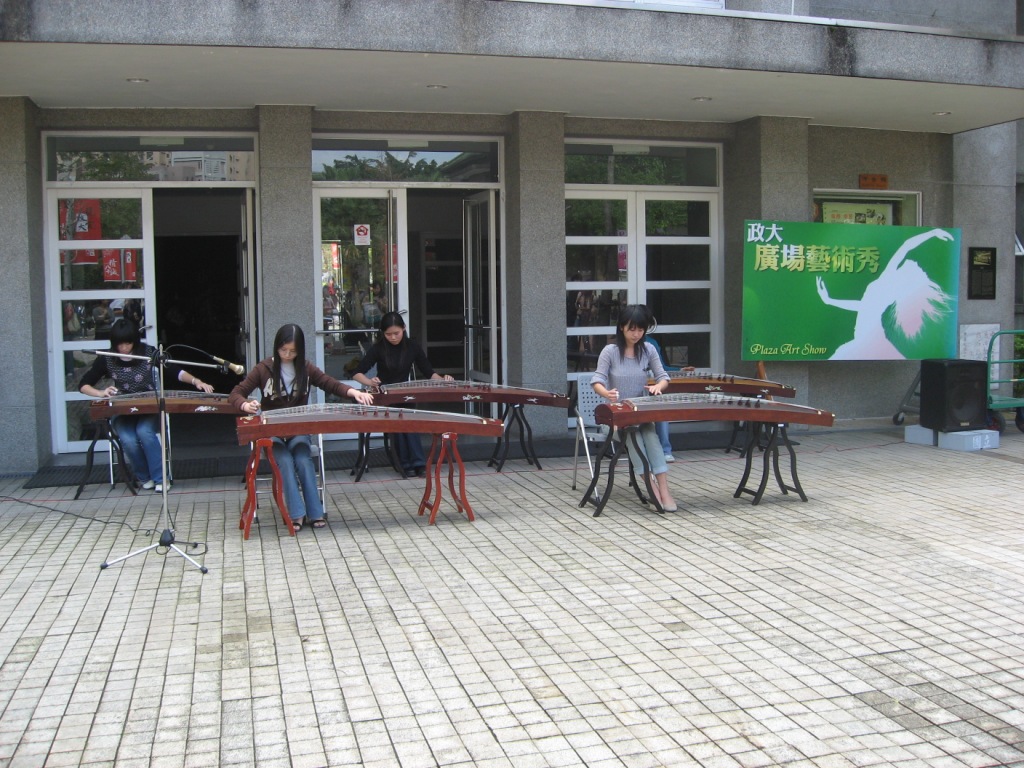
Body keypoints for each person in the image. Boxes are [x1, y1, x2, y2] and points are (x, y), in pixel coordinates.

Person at [230, 324, 374, 531]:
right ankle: (296, 514)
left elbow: (330, 383)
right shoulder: (264, 368)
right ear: (276, 347)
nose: (288, 355)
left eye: (293, 351)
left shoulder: (306, 368)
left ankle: (315, 512)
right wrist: (246, 405)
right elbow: (236, 393)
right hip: (272, 431)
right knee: (284, 462)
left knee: (303, 460)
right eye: (283, 350)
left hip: (298, 429)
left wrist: (355, 392)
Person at [79, 318, 214, 492]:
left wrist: (197, 381)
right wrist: (101, 393)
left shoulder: (148, 353)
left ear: (134, 341)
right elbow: (83, 384)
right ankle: (144, 477)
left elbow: (174, 370)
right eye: (120, 344)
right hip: (123, 410)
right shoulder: (108, 358)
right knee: (128, 439)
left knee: (145, 432)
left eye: (128, 343)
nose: (124, 348)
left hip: (149, 408)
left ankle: (161, 479)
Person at [816, 228, 954, 360]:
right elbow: (906, 246)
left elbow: (864, 306)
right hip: (865, 341)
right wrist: (829, 300)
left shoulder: (889, 286)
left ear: (907, 277)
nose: (906, 263)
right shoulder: (887, 278)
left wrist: (829, 300)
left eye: (910, 266)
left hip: (867, 342)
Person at [590, 304, 677, 512]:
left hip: (640, 414)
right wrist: (607, 393)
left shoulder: (648, 350)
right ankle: (651, 487)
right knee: (634, 436)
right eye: (631, 329)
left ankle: (664, 489)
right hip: (615, 419)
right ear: (621, 327)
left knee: (651, 436)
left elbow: (663, 377)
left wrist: (658, 387)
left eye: (640, 329)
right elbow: (597, 380)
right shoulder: (610, 351)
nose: (636, 334)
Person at [352, 311, 454, 478]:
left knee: (410, 422)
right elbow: (357, 373)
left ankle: (419, 464)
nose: (393, 337)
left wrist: (443, 380)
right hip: (385, 396)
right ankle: (405, 464)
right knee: (399, 423)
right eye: (388, 334)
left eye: (396, 333)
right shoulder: (378, 348)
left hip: (404, 395)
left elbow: (428, 372)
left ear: (404, 328)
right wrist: (370, 382)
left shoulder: (412, 346)